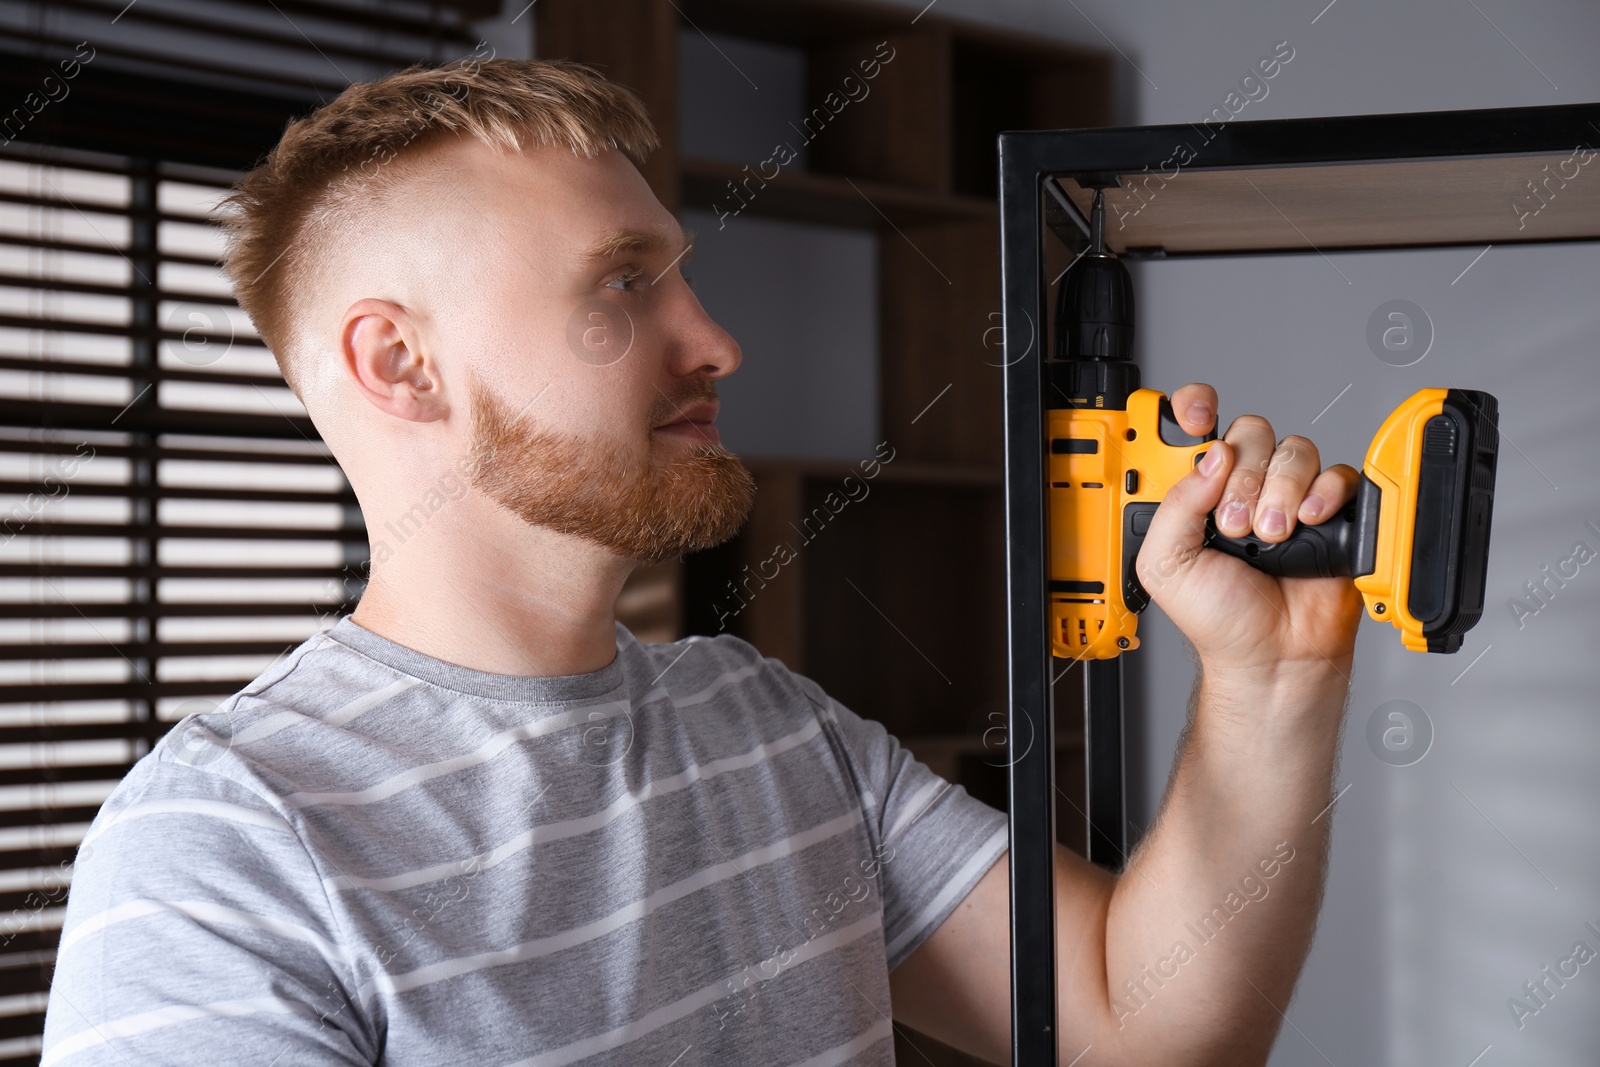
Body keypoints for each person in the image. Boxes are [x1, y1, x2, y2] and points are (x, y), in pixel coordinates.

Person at [41, 58, 1362, 1066]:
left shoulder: (771, 725)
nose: (716, 340)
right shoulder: (226, 848)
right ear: (401, 364)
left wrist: (1271, 677)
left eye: (679, 277)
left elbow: (1139, 1024)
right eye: (622, 285)